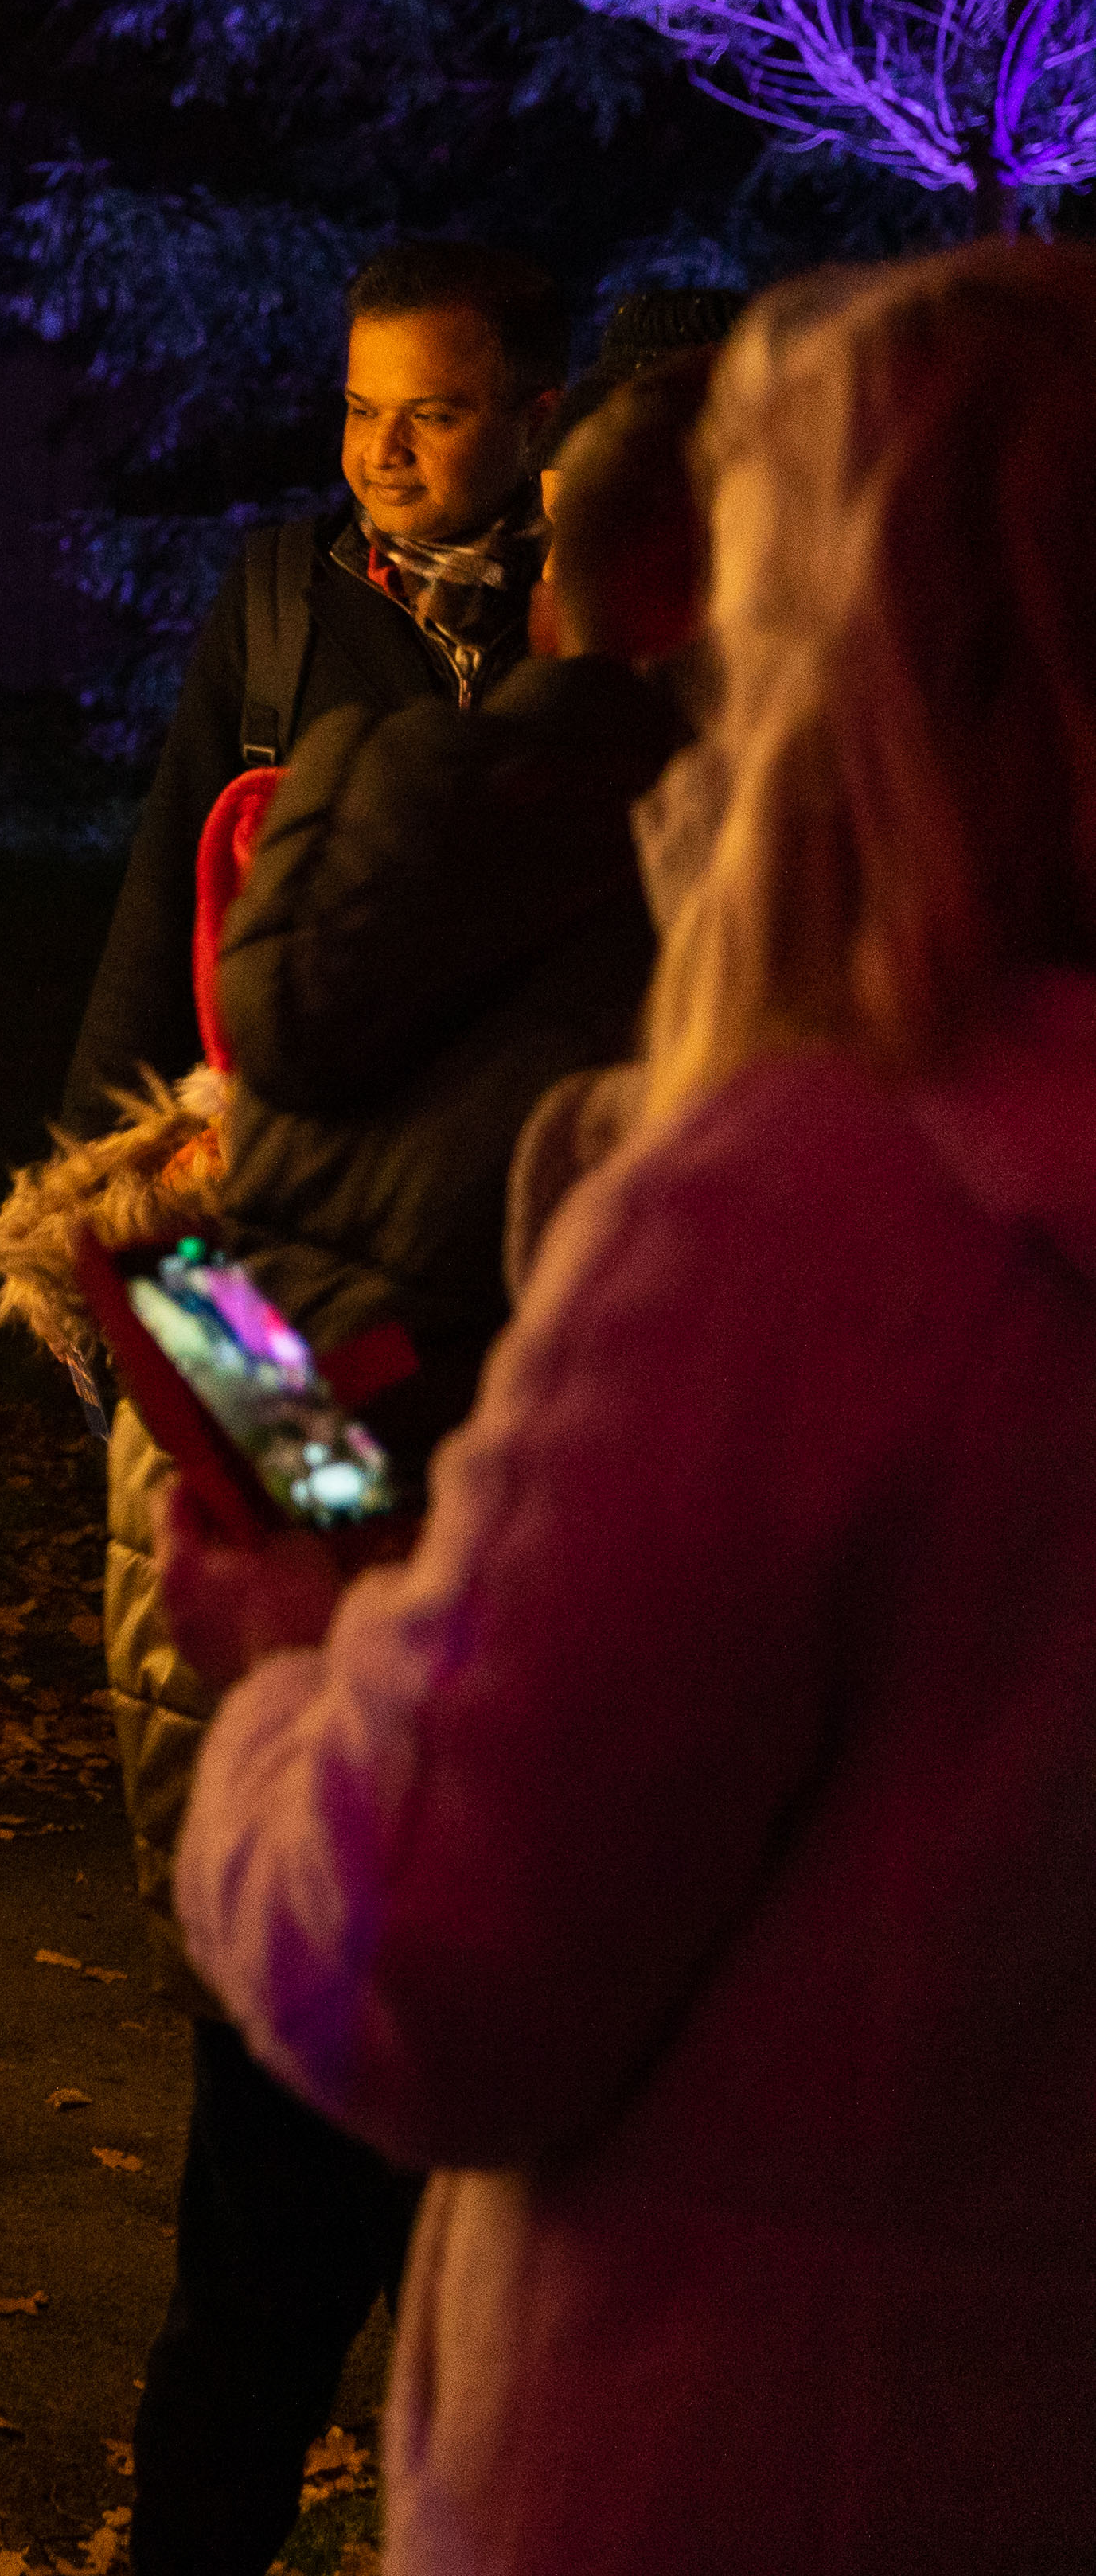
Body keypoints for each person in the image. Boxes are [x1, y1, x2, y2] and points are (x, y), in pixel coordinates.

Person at [162, 242, 1096, 2576]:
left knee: (253, 2264)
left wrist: (291, 1650)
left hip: (719, 2448)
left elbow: (418, 1955)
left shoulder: (790, 1197)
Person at [0, 356, 712, 2576]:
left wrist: (319, 1556)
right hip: (508, 1767)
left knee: (266, 2281)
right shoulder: (706, 912)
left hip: (319, 1754)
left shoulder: (347, 853)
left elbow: (205, 1286)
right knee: (476, 2337)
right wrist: (393, 1553)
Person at [63, 242, 566, 1124]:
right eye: (361, 408)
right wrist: (98, 1183)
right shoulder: (281, 596)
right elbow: (171, 893)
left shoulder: (591, 612)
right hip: (289, 1151)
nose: (383, 450)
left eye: (434, 416)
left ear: (537, 418)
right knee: (169, 1266)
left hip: (512, 1165)